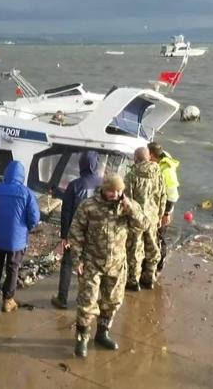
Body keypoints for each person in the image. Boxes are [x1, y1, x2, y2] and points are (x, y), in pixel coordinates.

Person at [68, 174, 146, 358]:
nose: (115, 194)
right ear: (104, 189)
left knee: (111, 302)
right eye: (112, 191)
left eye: (119, 191)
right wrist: (77, 259)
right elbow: (76, 233)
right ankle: (82, 338)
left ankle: (102, 333)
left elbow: (143, 225)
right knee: (87, 303)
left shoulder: (128, 206)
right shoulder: (88, 206)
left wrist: (130, 209)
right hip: (92, 263)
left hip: (117, 264)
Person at [0, 160, 40, 313]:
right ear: (22, 176)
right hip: (17, 241)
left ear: (6, 174)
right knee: (13, 269)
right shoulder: (27, 193)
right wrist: (25, 228)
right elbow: (34, 218)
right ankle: (8, 300)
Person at [51, 151, 102, 310]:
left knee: (67, 263)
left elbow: (66, 212)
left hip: (75, 232)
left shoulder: (74, 185)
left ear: (81, 165)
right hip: (97, 233)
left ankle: (62, 299)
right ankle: (88, 299)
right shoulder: (103, 184)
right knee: (93, 266)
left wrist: (64, 236)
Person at [124, 147, 166, 290]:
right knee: (153, 248)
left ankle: (133, 281)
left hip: (137, 219)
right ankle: (149, 278)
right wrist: (160, 215)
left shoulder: (131, 175)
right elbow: (163, 196)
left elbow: (127, 201)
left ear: (135, 159)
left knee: (135, 252)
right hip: (152, 218)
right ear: (148, 157)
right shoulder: (158, 173)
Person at [147, 141, 180, 274]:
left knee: (160, 237)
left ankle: (159, 264)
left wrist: (166, 213)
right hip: (157, 208)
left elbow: (173, 195)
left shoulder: (167, 171)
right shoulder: (160, 162)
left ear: (152, 155)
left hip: (164, 209)